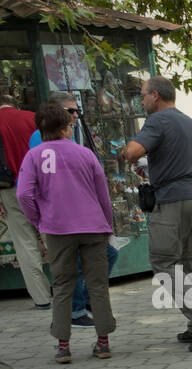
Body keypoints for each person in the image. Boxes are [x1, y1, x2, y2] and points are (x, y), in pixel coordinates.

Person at [120, 76, 192, 352]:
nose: (141, 100)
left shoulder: (157, 121)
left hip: (173, 201)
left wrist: (127, 147)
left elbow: (132, 152)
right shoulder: (188, 121)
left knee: (163, 264)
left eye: (142, 95)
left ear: (155, 96)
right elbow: (177, 162)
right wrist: (151, 169)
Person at [16, 105, 115, 364]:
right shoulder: (85, 154)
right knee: (97, 284)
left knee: (62, 286)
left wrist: (38, 220)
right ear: (64, 128)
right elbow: (103, 194)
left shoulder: (34, 156)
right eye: (71, 125)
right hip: (93, 226)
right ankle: (103, 343)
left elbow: (24, 194)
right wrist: (108, 224)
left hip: (57, 229)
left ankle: (63, 347)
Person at [31, 91, 118, 330]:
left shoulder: (67, 144)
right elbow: (102, 194)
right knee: (77, 278)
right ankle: (89, 324)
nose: (75, 116)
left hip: (70, 224)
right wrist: (39, 218)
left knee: (73, 277)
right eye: (70, 111)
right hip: (68, 223)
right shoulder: (43, 143)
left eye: (76, 110)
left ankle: (64, 341)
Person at [0, 94, 52, 310]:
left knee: (25, 243)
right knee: (53, 237)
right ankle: (68, 289)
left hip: (9, 188)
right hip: (41, 185)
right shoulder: (32, 118)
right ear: (15, 104)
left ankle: (41, 298)